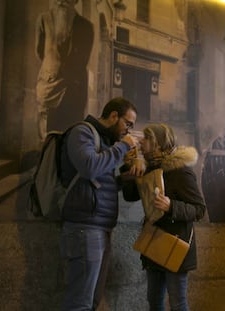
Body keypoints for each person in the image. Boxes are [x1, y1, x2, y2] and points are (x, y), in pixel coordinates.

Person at [59, 97, 142, 311]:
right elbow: (89, 167)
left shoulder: (105, 142)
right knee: (80, 302)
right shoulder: (82, 132)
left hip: (100, 228)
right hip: (85, 227)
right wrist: (123, 147)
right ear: (113, 116)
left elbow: (98, 183)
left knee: (92, 301)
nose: (128, 131)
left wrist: (123, 180)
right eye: (128, 124)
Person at [121, 123, 206, 311]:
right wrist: (129, 166)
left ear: (158, 144)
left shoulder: (180, 171)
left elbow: (200, 209)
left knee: (177, 302)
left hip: (175, 245)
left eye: (146, 138)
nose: (141, 142)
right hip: (154, 243)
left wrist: (171, 206)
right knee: (154, 300)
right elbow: (130, 195)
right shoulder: (150, 167)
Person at [35, 0, 94, 141]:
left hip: (73, 89)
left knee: (68, 135)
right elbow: (39, 52)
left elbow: (83, 58)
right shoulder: (44, 19)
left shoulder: (86, 26)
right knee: (48, 136)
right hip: (50, 86)